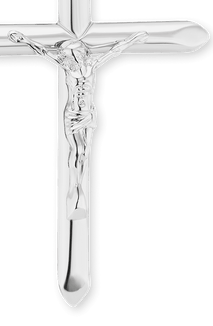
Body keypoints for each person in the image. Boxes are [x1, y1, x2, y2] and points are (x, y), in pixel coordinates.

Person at [8, 30, 148, 220]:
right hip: (73, 115)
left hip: (88, 113)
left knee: (85, 152)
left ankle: (78, 187)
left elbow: (115, 50)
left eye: (77, 52)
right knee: (76, 150)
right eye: (71, 53)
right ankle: (74, 188)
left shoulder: (90, 64)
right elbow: (43, 51)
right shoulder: (66, 66)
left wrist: (133, 39)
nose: (75, 56)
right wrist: (24, 40)